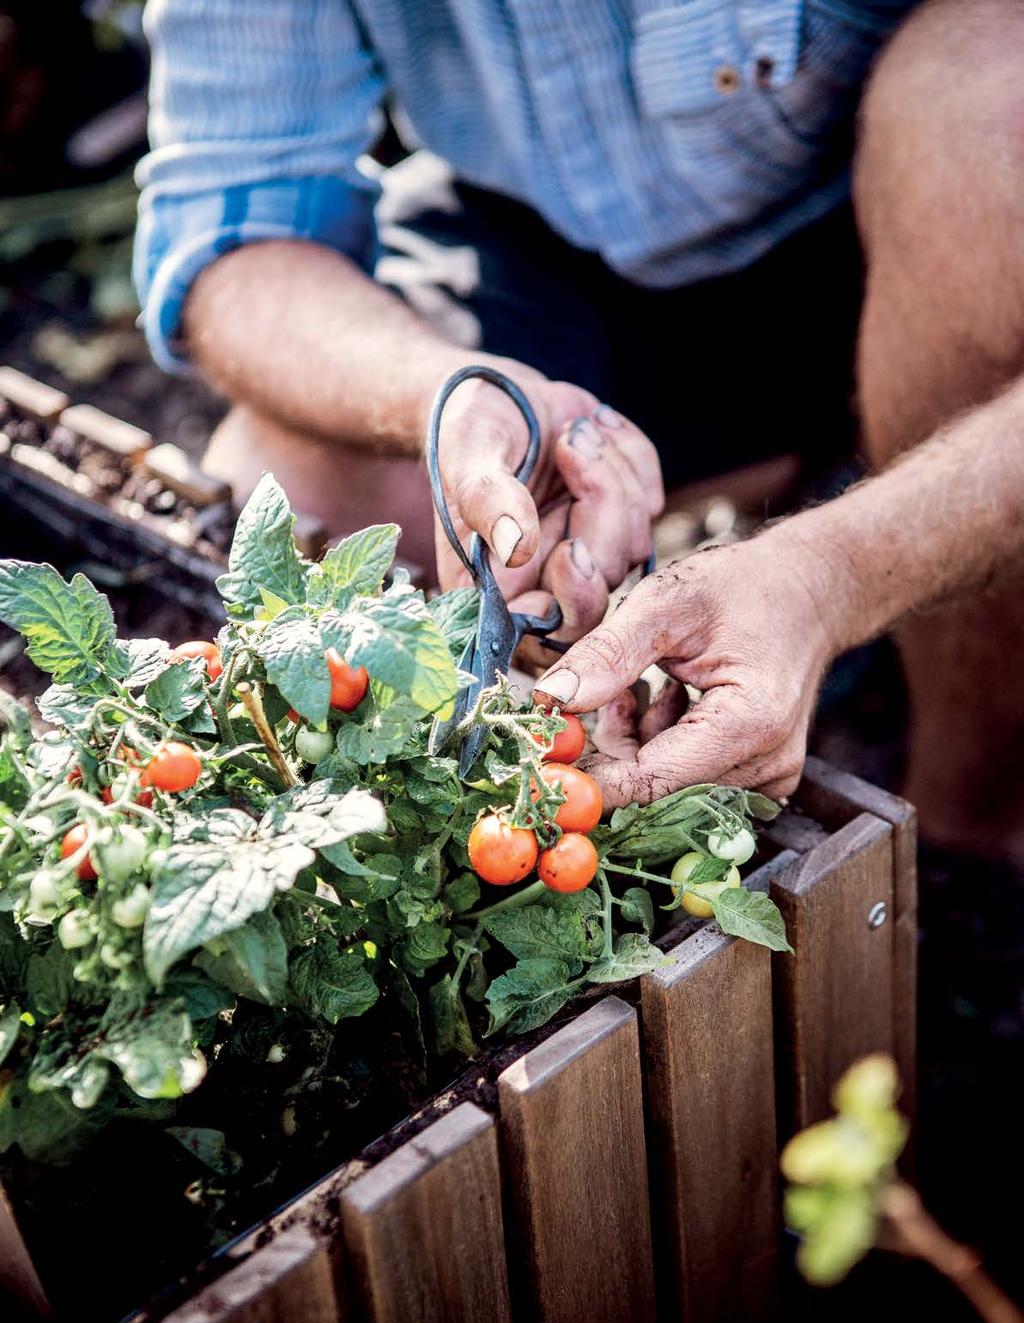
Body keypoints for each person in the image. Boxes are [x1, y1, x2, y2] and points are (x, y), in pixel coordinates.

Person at [136, 0, 1024, 862]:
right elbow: (232, 227)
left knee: (987, 120)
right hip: (555, 244)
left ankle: (967, 830)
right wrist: (445, 398)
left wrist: (833, 573)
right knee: (299, 487)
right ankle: (797, 458)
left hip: (890, 223)